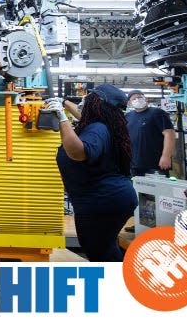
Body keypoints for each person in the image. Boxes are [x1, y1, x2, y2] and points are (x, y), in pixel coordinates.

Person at [44, 84, 137, 262]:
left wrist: (62, 118)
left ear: (97, 104)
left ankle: (118, 287)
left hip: (101, 202)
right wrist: (63, 102)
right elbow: (84, 118)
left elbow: (78, 152)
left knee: (100, 253)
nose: (84, 100)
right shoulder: (103, 125)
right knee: (104, 249)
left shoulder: (98, 129)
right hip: (108, 199)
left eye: (89, 98)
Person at [125, 89, 176, 177]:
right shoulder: (128, 116)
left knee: (157, 189)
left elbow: (169, 134)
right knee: (137, 190)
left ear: (146, 99)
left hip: (155, 163)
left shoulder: (157, 113)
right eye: (134, 99)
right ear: (129, 103)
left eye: (139, 97)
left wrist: (166, 156)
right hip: (134, 164)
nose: (137, 100)